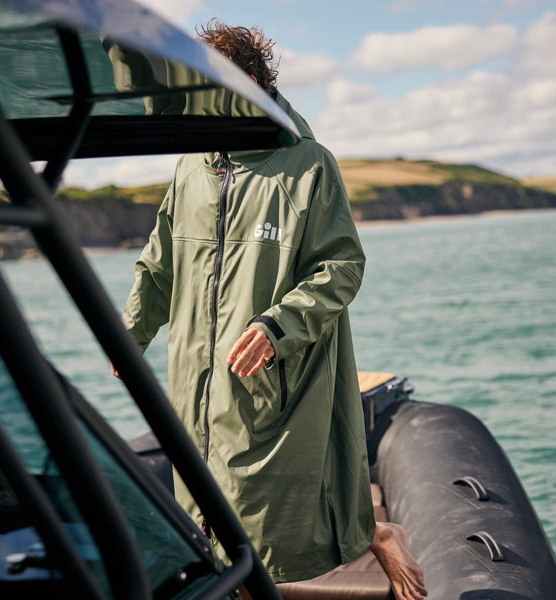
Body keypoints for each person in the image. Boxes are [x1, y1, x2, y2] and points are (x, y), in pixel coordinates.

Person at [114, 20, 427, 600]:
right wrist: (129, 332)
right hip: (193, 382)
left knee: (257, 531)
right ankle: (371, 535)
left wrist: (276, 325)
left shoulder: (308, 164)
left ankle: (377, 533)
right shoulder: (191, 167)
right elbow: (159, 261)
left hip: (267, 376)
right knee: (209, 526)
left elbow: (341, 267)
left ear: (254, 84)